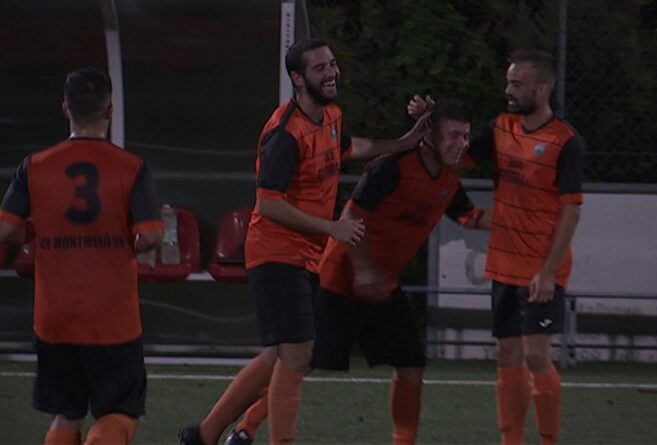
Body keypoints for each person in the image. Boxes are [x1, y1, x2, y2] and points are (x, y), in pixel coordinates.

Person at [179, 39, 429, 445]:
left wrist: (404, 141)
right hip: (276, 250)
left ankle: (204, 435)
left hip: (306, 254)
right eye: (320, 68)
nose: (332, 72)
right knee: (297, 354)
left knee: (279, 354)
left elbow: (352, 148)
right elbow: (268, 204)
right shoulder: (284, 133)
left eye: (332, 64)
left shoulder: (331, 116)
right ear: (297, 78)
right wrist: (331, 228)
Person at [226, 98, 491, 445]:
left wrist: (518, 219)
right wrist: (364, 270)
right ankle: (245, 428)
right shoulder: (391, 168)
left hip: (382, 285)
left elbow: (470, 217)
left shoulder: (448, 179)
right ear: (429, 135)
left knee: (411, 362)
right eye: (454, 135)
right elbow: (351, 216)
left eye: (465, 136)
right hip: (341, 277)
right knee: (300, 361)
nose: (462, 144)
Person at [409, 49, 586, 445]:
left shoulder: (566, 142)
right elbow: (455, 155)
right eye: (508, 82)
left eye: (517, 84)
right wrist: (432, 122)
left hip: (541, 269)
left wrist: (548, 271)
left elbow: (571, 212)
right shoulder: (500, 128)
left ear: (541, 88)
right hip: (503, 265)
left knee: (536, 355)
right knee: (507, 355)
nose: (508, 90)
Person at [0, 67, 164, 445]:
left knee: (66, 412)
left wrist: (38, 231)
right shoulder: (132, 167)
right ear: (110, 111)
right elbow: (153, 235)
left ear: (65, 109)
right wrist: (125, 243)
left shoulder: (35, 165)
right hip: (112, 318)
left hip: (54, 317)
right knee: (118, 411)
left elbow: (7, 230)